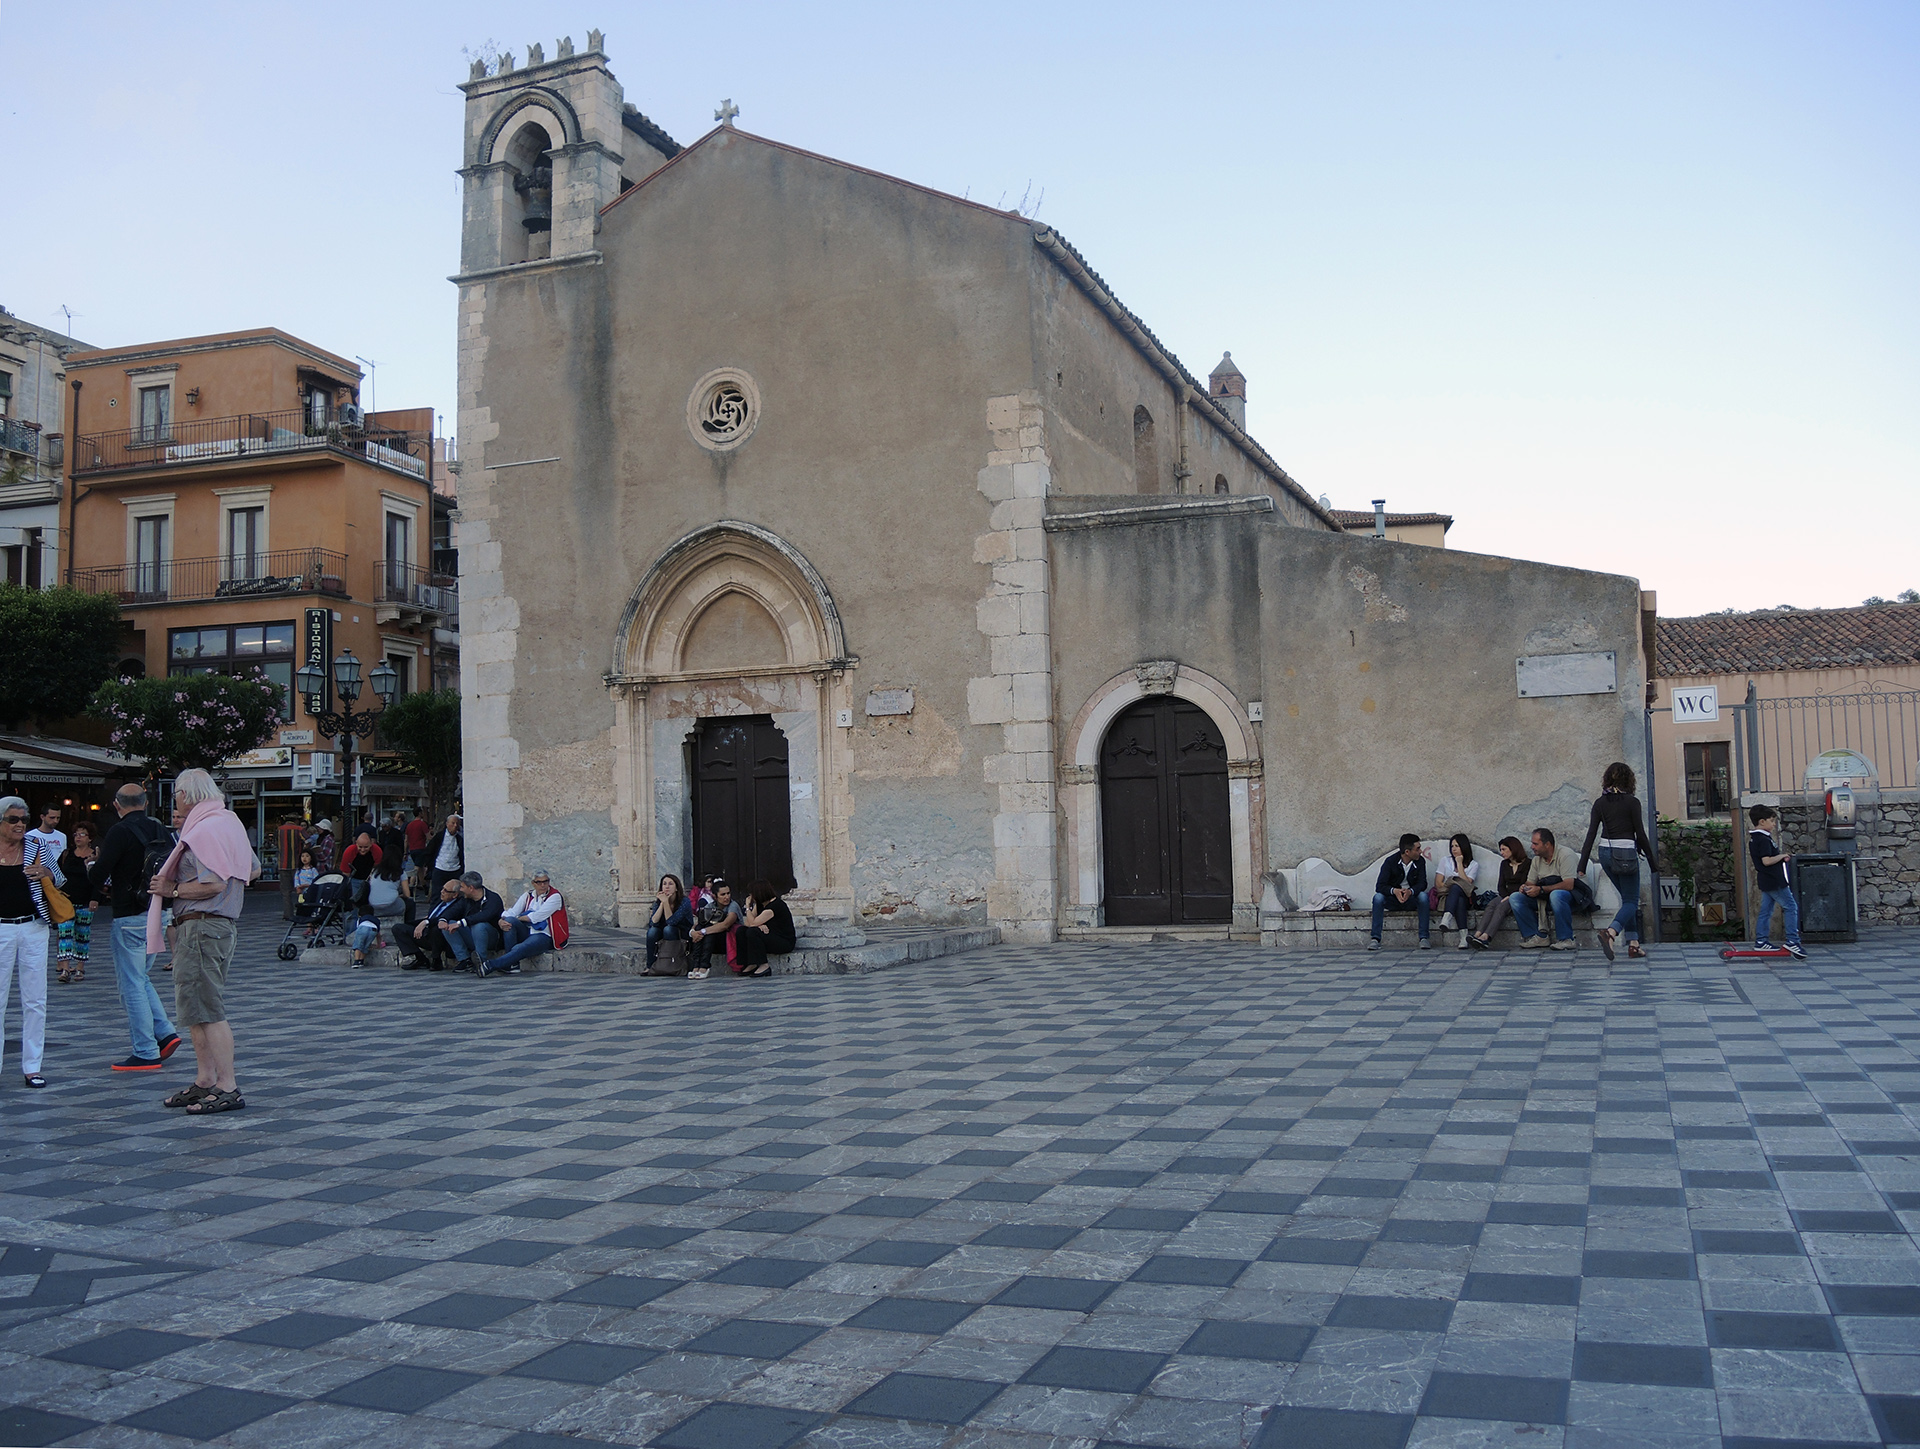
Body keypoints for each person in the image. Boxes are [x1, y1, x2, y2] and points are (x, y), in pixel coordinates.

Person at [149, 769, 259, 1114]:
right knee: (197, 1009)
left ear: (186, 794)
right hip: (216, 925)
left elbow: (214, 883)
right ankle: (205, 1079)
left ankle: (227, 1085)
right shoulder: (228, 822)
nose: (176, 801)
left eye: (177, 795)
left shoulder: (205, 830)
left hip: (201, 924)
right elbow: (251, 869)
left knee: (208, 1009)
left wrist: (173, 889)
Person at [88, 785, 182, 1072]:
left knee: (131, 984)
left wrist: (90, 870)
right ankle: (165, 1033)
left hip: (129, 913)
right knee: (140, 978)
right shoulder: (159, 829)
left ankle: (145, 1050)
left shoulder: (119, 831)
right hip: (159, 911)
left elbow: (101, 871)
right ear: (145, 802)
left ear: (117, 804)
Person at [0, 796, 59, 1088]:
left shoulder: (37, 846)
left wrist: (45, 872)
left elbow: (60, 880)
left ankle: (32, 1067)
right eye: (13, 819)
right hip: (1, 930)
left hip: (33, 927)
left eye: (23, 819)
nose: (20, 825)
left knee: (35, 1000)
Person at [1577, 761, 1658, 962]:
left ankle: (1633, 944)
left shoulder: (1600, 803)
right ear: (1629, 780)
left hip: (1605, 852)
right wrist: (1652, 861)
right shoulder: (1632, 802)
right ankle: (1611, 933)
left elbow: (1591, 834)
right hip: (1627, 854)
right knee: (1632, 900)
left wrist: (1582, 864)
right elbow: (1640, 833)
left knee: (1626, 899)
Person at [1510, 827, 1583, 951]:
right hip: (1545, 898)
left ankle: (1566, 939)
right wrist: (1525, 887)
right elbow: (1530, 882)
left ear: (1547, 844)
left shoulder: (1565, 855)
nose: (1532, 847)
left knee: (1557, 895)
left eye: (1535, 844)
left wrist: (1541, 890)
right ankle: (1537, 936)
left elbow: (1569, 884)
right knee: (1515, 898)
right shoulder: (1536, 860)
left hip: (1572, 897)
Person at [484, 871, 567, 977]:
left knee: (520, 948)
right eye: (539, 882)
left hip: (545, 934)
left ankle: (491, 965)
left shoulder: (555, 896)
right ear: (533, 883)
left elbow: (537, 916)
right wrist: (501, 920)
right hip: (528, 931)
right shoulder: (528, 896)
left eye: (546, 882)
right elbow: (513, 912)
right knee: (509, 921)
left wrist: (518, 918)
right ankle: (512, 964)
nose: (543, 885)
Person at [1749, 805, 1805, 960]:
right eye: (1772, 821)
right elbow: (1766, 861)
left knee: (1766, 910)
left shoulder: (1757, 838)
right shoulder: (1763, 839)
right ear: (1761, 821)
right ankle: (1793, 940)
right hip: (1774, 881)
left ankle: (1761, 941)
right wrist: (1782, 856)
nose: (1774, 824)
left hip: (1767, 880)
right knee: (1791, 907)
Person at [1467, 837, 1534, 951]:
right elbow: (1501, 885)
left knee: (1501, 907)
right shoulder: (1504, 864)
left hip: (1519, 895)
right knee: (1492, 905)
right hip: (1505, 894)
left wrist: (1510, 896)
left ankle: (1486, 937)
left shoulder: (1528, 863)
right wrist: (1504, 895)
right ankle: (1478, 933)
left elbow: (1524, 883)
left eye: (1504, 849)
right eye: (1501, 850)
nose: (1501, 852)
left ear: (1513, 848)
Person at [1369, 833, 1431, 950]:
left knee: (1423, 897)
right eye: (1417, 849)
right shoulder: (1390, 862)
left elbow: (1422, 884)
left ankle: (1424, 937)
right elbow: (1380, 886)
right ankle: (1375, 938)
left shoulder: (1420, 861)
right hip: (1393, 900)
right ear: (1407, 852)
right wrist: (1395, 891)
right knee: (1378, 898)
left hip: (1411, 899)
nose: (1420, 851)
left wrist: (1410, 892)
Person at [55, 824, 98, 984]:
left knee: (82, 935)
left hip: (85, 901)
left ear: (90, 838)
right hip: (66, 901)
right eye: (76, 834)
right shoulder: (67, 855)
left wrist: (95, 899)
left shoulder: (94, 856)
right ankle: (65, 968)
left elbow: (98, 880)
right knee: (64, 933)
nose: (78, 837)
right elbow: (56, 873)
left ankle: (80, 967)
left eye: (82, 834)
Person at [439, 871, 504, 970]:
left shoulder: (493, 899)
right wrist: (443, 920)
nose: (460, 890)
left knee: (479, 925)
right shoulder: (466, 899)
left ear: (471, 888)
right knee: (449, 924)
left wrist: (460, 923)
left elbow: (483, 916)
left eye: (462, 887)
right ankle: (465, 960)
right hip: (472, 935)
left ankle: (482, 961)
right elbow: (453, 910)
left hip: (490, 938)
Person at [733, 878, 797, 978]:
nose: (750, 897)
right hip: (770, 936)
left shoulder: (775, 905)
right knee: (741, 931)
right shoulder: (760, 905)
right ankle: (750, 963)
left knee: (753, 932)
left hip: (783, 941)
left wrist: (747, 907)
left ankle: (764, 965)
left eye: (752, 894)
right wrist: (759, 924)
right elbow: (747, 923)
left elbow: (753, 923)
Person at [402, 876, 468, 971]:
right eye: (442, 888)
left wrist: (426, 922)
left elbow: (444, 918)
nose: (442, 892)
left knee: (437, 928)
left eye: (446, 890)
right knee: (399, 928)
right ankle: (420, 958)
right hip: (425, 931)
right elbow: (430, 916)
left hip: (439, 936)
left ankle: (436, 959)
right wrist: (420, 923)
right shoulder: (439, 900)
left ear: (454, 895)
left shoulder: (459, 904)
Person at [688, 878, 740, 979]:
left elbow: (725, 924)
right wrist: (693, 933)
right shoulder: (710, 906)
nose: (727, 897)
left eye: (728, 893)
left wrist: (703, 932)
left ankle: (704, 966)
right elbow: (698, 923)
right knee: (701, 927)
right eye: (723, 895)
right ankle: (696, 966)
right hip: (710, 939)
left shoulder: (733, 906)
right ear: (715, 896)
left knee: (708, 930)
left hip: (729, 940)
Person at [1434, 833, 1481, 945]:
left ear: (1464, 847)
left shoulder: (1473, 865)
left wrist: (1459, 863)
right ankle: (1463, 938)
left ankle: (1447, 918)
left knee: (1457, 887)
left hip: (1467, 897)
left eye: (1457, 846)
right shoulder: (1445, 861)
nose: (1454, 849)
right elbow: (1438, 884)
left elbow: (1467, 885)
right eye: (1452, 846)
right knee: (1457, 896)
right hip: (1447, 896)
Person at [646, 874, 694, 973]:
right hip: (664, 931)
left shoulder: (684, 902)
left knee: (668, 929)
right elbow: (653, 922)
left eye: (670, 884)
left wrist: (666, 903)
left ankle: (670, 963)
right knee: (652, 932)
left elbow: (671, 921)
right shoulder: (659, 901)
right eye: (664, 884)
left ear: (676, 888)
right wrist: (662, 903)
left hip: (681, 933)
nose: (667, 887)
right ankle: (650, 965)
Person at [421, 814, 464, 898]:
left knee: (455, 895)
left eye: (457, 824)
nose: (455, 826)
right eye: (453, 823)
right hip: (440, 868)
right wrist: (430, 866)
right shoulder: (439, 836)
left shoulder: (459, 839)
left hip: (455, 869)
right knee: (437, 895)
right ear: (447, 824)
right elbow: (429, 851)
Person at [339, 830, 382, 908]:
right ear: (356, 844)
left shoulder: (377, 851)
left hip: (370, 880)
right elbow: (345, 873)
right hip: (354, 879)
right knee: (354, 904)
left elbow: (378, 867)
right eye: (360, 847)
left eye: (366, 847)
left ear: (371, 844)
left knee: (371, 903)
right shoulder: (349, 851)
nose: (363, 850)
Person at [291, 849, 320, 913]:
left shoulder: (313, 870)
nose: (304, 858)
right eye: (302, 856)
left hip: (310, 890)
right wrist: (298, 887)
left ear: (311, 858)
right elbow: (296, 879)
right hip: (302, 891)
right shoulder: (299, 870)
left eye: (307, 856)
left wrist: (307, 885)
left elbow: (316, 880)